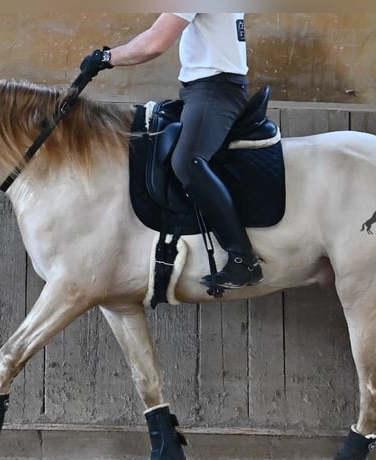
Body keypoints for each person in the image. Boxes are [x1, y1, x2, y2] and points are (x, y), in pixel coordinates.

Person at [79, 13, 263, 290]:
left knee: (188, 163)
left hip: (215, 89)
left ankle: (242, 259)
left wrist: (105, 58)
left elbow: (155, 43)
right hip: (204, 89)